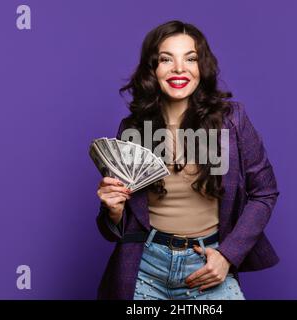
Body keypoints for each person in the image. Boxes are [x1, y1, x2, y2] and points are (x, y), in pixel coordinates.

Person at [95, 20, 280, 300]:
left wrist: (227, 255)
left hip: (206, 266)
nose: (179, 68)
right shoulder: (132, 129)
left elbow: (264, 193)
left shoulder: (232, 120)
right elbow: (114, 230)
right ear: (152, 70)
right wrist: (113, 210)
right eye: (166, 59)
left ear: (201, 68)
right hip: (146, 269)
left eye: (190, 58)